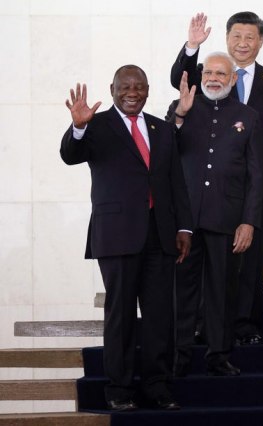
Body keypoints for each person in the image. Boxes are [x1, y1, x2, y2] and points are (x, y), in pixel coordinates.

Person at [60, 65, 192, 410]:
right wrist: (78, 126)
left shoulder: (161, 128)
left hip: (160, 234)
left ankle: (157, 387)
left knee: (160, 315)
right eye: (125, 87)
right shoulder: (96, 125)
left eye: (139, 87)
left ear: (147, 90)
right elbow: (70, 156)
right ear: (113, 89)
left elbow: (175, 181)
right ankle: (119, 389)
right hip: (116, 235)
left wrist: (184, 228)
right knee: (120, 314)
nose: (132, 93)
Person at [170, 12, 263, 347]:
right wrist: (192, 46)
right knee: (208, 261)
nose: (243, 43)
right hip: (212, 189)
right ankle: (204, 325)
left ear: (260, 41)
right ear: (227, 38)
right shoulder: (207, 74)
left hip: (257, 184)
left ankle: (246, 324)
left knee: (251, 257)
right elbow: (177, 80)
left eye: (250, 37)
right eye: (237, 36)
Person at [168, 52, 263, 377]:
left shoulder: (248, 116)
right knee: (182, 290)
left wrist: (248, 221)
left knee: (222, 290)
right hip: (185, 221)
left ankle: (219, 354)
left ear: (233, 79)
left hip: (227, 218)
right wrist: (179, 115)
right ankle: (178, 355)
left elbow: (256, 175)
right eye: (208, 72)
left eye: (221, 74)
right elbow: (164, 151)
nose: (213, 78)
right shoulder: (182, 107)